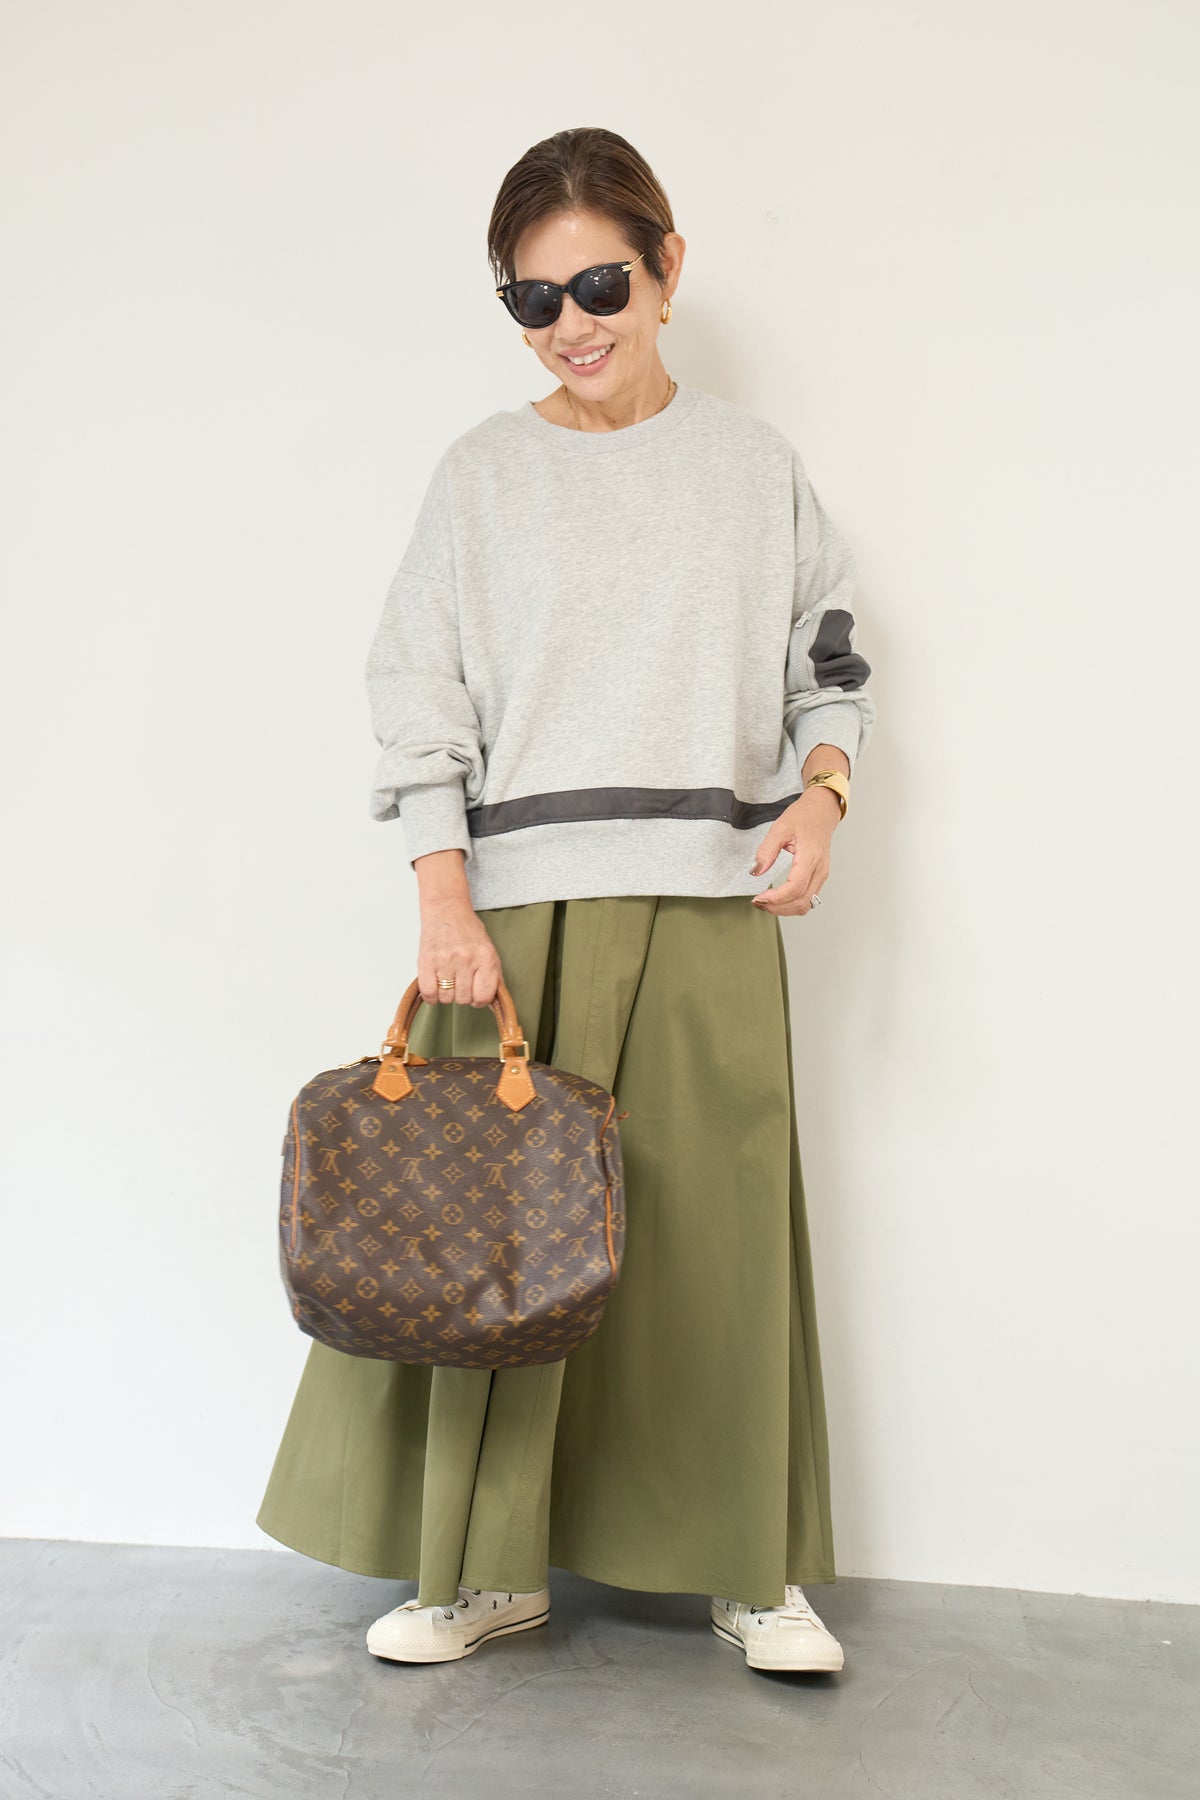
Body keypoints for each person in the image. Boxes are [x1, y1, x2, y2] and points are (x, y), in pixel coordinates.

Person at [256, 125, 876, 1677]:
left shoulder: (752, 468)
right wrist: (442, 897)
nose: (571, 324)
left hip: (714, 903)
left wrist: (822, 796)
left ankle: (744, 1569)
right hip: (519, 916)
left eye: (599, 284)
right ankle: (481, 1569)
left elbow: (833, 654)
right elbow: (419, 693)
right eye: (533, 301)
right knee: (494, 1248)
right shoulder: (483, 476)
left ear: (668, 269)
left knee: (714, 1245)